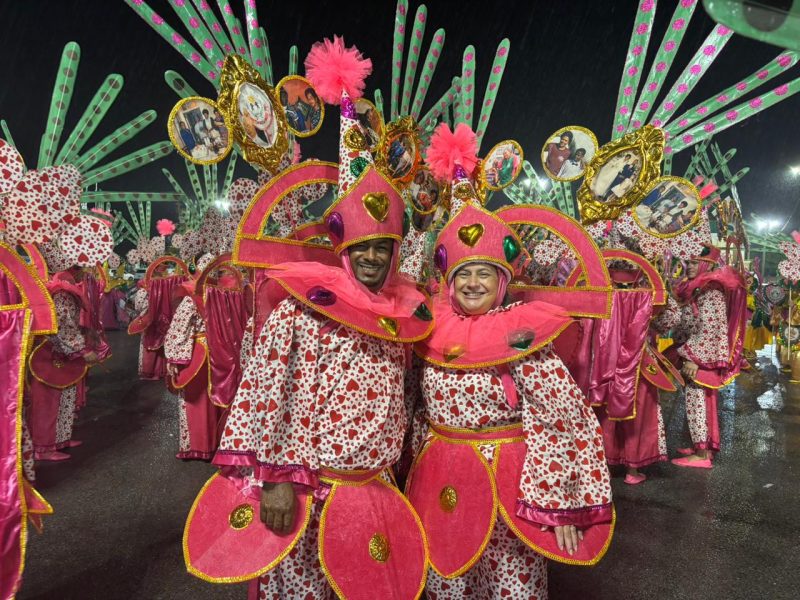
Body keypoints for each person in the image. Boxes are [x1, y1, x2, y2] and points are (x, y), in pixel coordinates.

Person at [199, 38, 432, 598]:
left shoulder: (402, 314)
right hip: (306, 490)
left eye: (384, 248)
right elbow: (262, 395)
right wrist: (276, 479)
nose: (374, 258)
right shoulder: (300, 312)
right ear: (343, 249)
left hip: (374, 488)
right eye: (364, 248)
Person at [406, 126, 614, 599]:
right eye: (465, 274)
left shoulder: (523, 337)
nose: (474, 283)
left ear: (502, 282)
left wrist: (557, 500)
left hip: (510, 482)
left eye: (485, 273)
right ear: (449, 280)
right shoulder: (430, 328)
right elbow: (416, 408)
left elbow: (561, 418)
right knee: (447, 579)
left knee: (509, 584)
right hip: (440, 477)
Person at [668, 246, 746, 468]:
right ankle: (702, 447)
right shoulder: (703, 288)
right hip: (697, 353)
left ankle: (701, 455)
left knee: (697, 401)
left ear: (708, 265)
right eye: (688, 262)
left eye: (695, 262)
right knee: (701, 401)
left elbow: (711, 329)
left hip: (700, 357)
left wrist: (694, 358)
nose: (689, 266)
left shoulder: (711, 291)